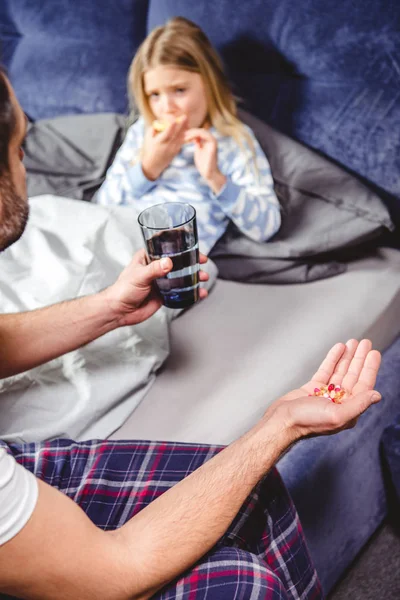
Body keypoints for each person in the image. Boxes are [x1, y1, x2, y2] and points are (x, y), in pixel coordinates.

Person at [0, 68, 383, 600]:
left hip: (16, 463)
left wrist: (111, 308)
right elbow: (111, 570)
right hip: (58, 540)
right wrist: (279, 425)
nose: (28, 167)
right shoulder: (143, 139)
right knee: (243, 585)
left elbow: (263, 220)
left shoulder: (230, 142)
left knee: (254, 491)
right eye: (21, 150)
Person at [94, 17, 282, 255]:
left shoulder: (233, 140)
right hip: (116, 232)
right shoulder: (143, 131)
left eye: (179, 90)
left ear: (210, 84)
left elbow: (266, 226)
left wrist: (215, 177)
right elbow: (102, 203)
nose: (166, 107)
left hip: (163, 253)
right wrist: (148, 168)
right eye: (154, 95)